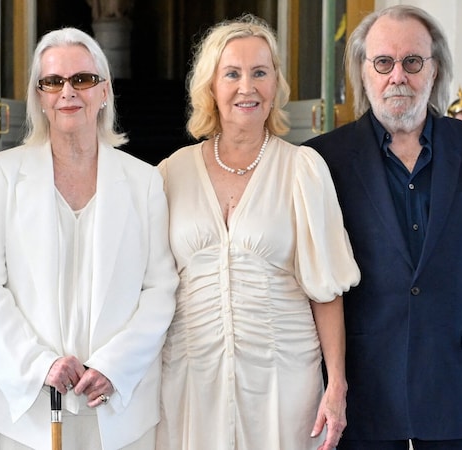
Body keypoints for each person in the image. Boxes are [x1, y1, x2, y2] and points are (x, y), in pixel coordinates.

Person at [304, 5, 462, 449]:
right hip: (364, 385)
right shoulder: (323, 158)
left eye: (412, 62)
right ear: (363, 71)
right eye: (383, 62)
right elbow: (315, 280)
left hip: (456, 381)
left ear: (434, 70)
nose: (398, 76)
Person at [156, 15, 360, 450]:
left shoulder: (303, 169)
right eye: (232, 73)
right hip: (190, 378)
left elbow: (325, 290)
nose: (246, 87)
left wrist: (336, 384)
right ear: (211, 85)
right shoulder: (171, 173)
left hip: (283, 380)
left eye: (260, 72)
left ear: (275, 86)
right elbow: (150, 286)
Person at [0, 27, 178, 450]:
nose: (68, 92)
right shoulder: (3, 174)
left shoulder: (144, 180)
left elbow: (161, 289)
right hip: (26, 413)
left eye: (82, 79)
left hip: (117, 410)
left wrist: (114, 367)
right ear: (40, 98)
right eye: (53, 82)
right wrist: (38, 364)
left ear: (104, 92)